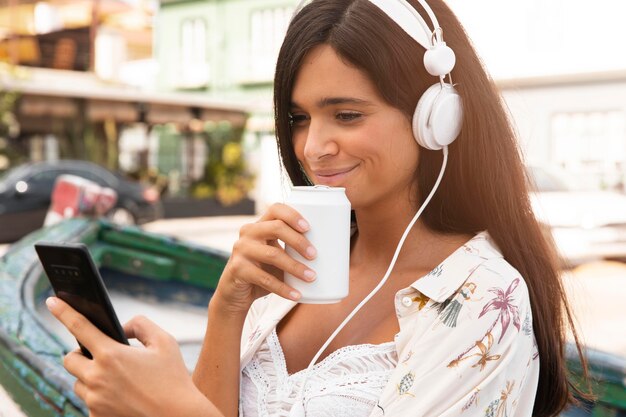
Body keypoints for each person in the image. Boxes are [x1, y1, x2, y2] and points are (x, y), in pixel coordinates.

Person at [46, 0, 590, 416]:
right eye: (299, 118)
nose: (313, 147)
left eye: (347, 115)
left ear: (436, 117)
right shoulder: (293, 270)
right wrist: (227, 309)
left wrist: (170, 408)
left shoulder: (483, 302)